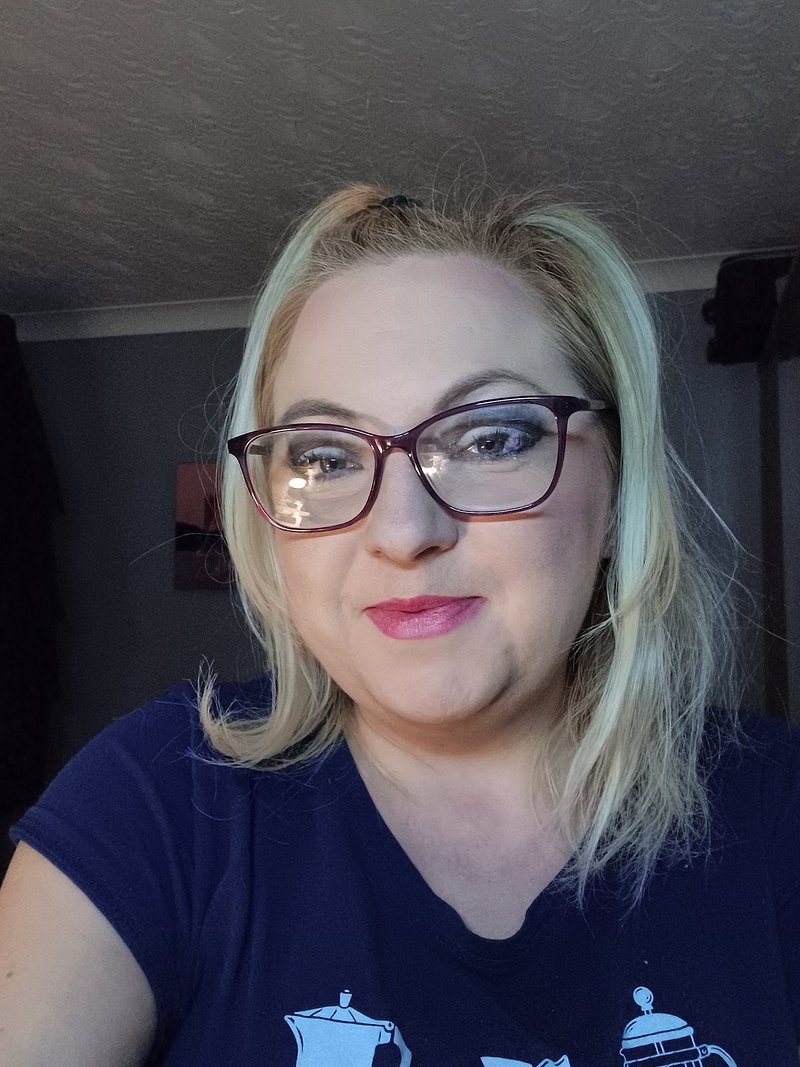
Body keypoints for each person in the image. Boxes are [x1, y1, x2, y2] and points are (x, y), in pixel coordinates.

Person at [1, 185, 798, 1067]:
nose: (405, 531)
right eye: (325, 457)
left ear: (614, 495)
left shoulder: (779, 815)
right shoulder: (155, 803)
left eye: (491, 439)